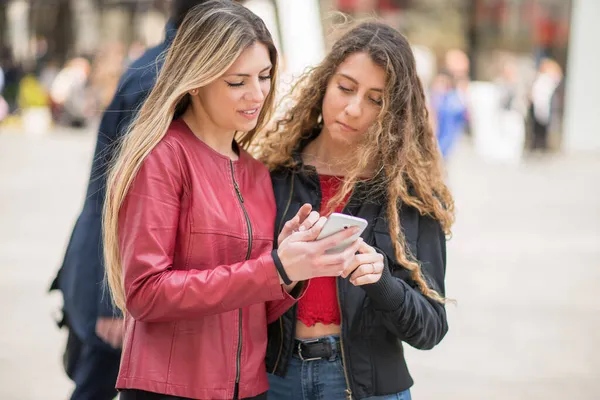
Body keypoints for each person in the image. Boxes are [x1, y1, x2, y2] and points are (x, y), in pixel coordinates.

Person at [103, 1, 361, 399]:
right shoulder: (162, 157)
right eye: (237, 81)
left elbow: (252, 308)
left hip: (249, 390)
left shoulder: (256, 173)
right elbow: (145, 293)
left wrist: (290, 268)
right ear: (196, 79)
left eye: (264, 76)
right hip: (168, 389)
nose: (256, 94)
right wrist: (270, 267)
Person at [261, 22, 455, 400]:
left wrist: (381, 282)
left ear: (394, 111)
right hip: (275, 382)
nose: (352, 109)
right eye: (345, 88)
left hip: (369, 388)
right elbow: (236, 292)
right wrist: (282, 268)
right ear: (324, 83)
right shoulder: (272, 176)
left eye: (376, 99)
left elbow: (431, 329)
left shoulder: (410, 196)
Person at [49, 1, 224, 399]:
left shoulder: (163, 63)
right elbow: (126, 195)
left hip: (115, 274)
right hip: (116, 281)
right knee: (99, 384)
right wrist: (112, 300)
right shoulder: (162, 79)